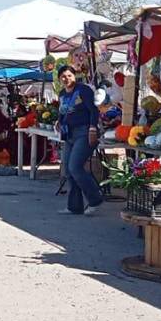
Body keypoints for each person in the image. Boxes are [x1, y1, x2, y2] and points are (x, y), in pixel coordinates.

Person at [56, 64, 103, 215]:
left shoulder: (83, 90)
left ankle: (95, 199)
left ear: (74, 76)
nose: (66, 79)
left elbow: (93, 110)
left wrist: (93, 128)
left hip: (84, 132)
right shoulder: (62, 93)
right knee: (68, 171)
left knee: (75, 167)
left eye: (69, 75)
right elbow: (63, 111)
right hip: (68, 134)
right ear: (59, 79)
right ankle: (74, 206)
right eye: (63, 76)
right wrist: (59, 121)